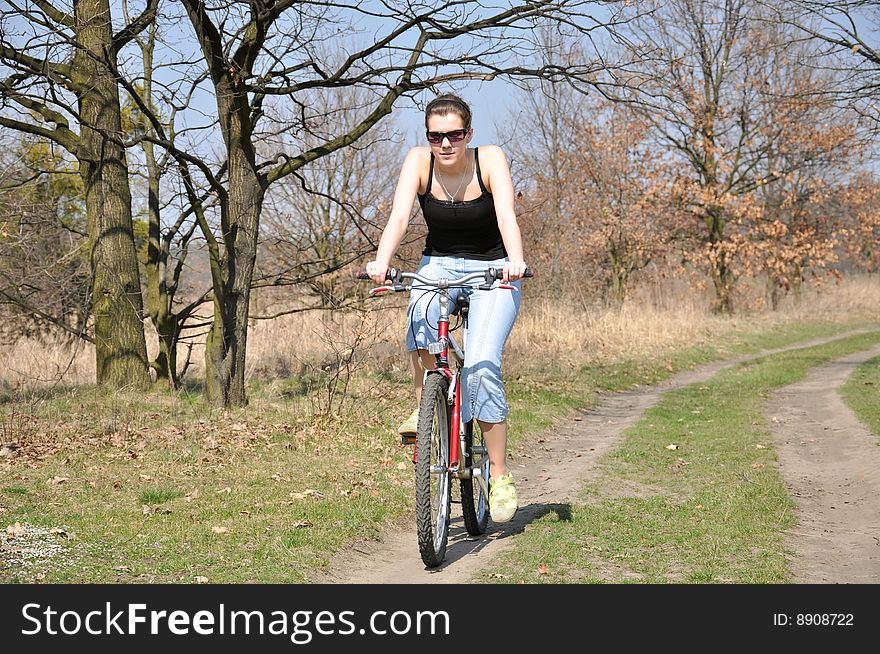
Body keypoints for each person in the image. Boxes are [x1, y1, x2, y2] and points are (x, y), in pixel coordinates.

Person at [365, 94, 527, 523]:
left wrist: (515, 260)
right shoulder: (419, 162)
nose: (445, 143)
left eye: (454, 134)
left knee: (482, 362)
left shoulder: (489, 159)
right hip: (437, 263)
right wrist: (382, 261)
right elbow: (400, 216)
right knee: (418, 317)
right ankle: (426, 407)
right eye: (436, 136)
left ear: (468, 134)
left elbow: (507, 215)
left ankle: (498, 474)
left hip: (494, 268)